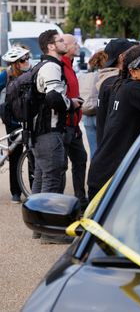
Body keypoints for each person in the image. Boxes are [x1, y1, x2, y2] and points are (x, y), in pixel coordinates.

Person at [86, 45, 140, 201]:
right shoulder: (137, 89)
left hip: (105, 173)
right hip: (112, 179)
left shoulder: (124, 85)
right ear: (133, 72)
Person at [33, 30, 83, 244]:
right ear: (51, 46)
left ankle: (37, 227)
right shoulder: (52, 66)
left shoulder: (40, 65)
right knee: (51, 181)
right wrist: (72, 104)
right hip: (50, 132)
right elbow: (54, 98)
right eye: (61, 40)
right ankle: (49, 233)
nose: (65, 42)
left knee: (41, 179)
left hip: (38, 133)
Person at [0, 46, 31, 203]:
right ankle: (16, 193)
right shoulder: (5, 75)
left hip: (31, 120)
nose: (27, 61)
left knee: (32, 155)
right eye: (23, 59)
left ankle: (34, 191)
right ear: (14, 63)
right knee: (15, 156)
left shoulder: (32, 72)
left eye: (27, 58)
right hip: (13, 122)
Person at [60, 34, 88, 208]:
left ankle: (81, 201)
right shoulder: (60, 67)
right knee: (60, 167)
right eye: (75, 43)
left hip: (74, 125)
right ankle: (59, 208)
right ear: (66, 46)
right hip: (64, 126)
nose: (78, 46)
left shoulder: (69, 66)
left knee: (81, 159)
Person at [96, 38, 134, 148]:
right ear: (122, 56)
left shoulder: (106, 79)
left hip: (104, 144)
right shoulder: (115, 82)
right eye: (132, 52)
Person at [78, 50, 107, 159]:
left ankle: (93, 174)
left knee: (93, 151)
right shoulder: (104, 76)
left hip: (87, 115)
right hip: (100, 114)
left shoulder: (87, 75)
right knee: (104, 151)